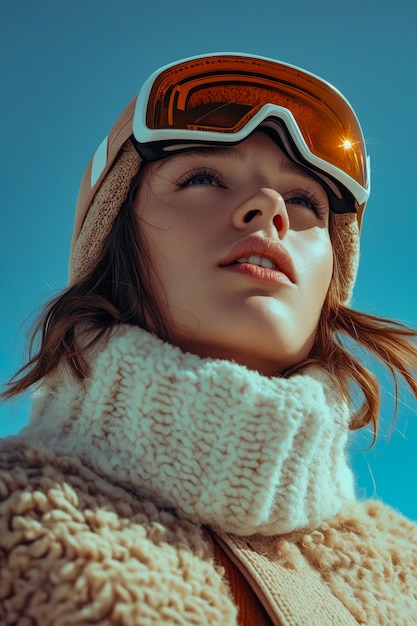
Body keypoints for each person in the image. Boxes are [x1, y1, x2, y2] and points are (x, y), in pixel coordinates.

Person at [1, 52, 417, 626]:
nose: (269, 210)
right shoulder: (9, 513)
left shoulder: (407, 571)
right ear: (110, 241)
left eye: (303, 201)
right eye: (203, 177)